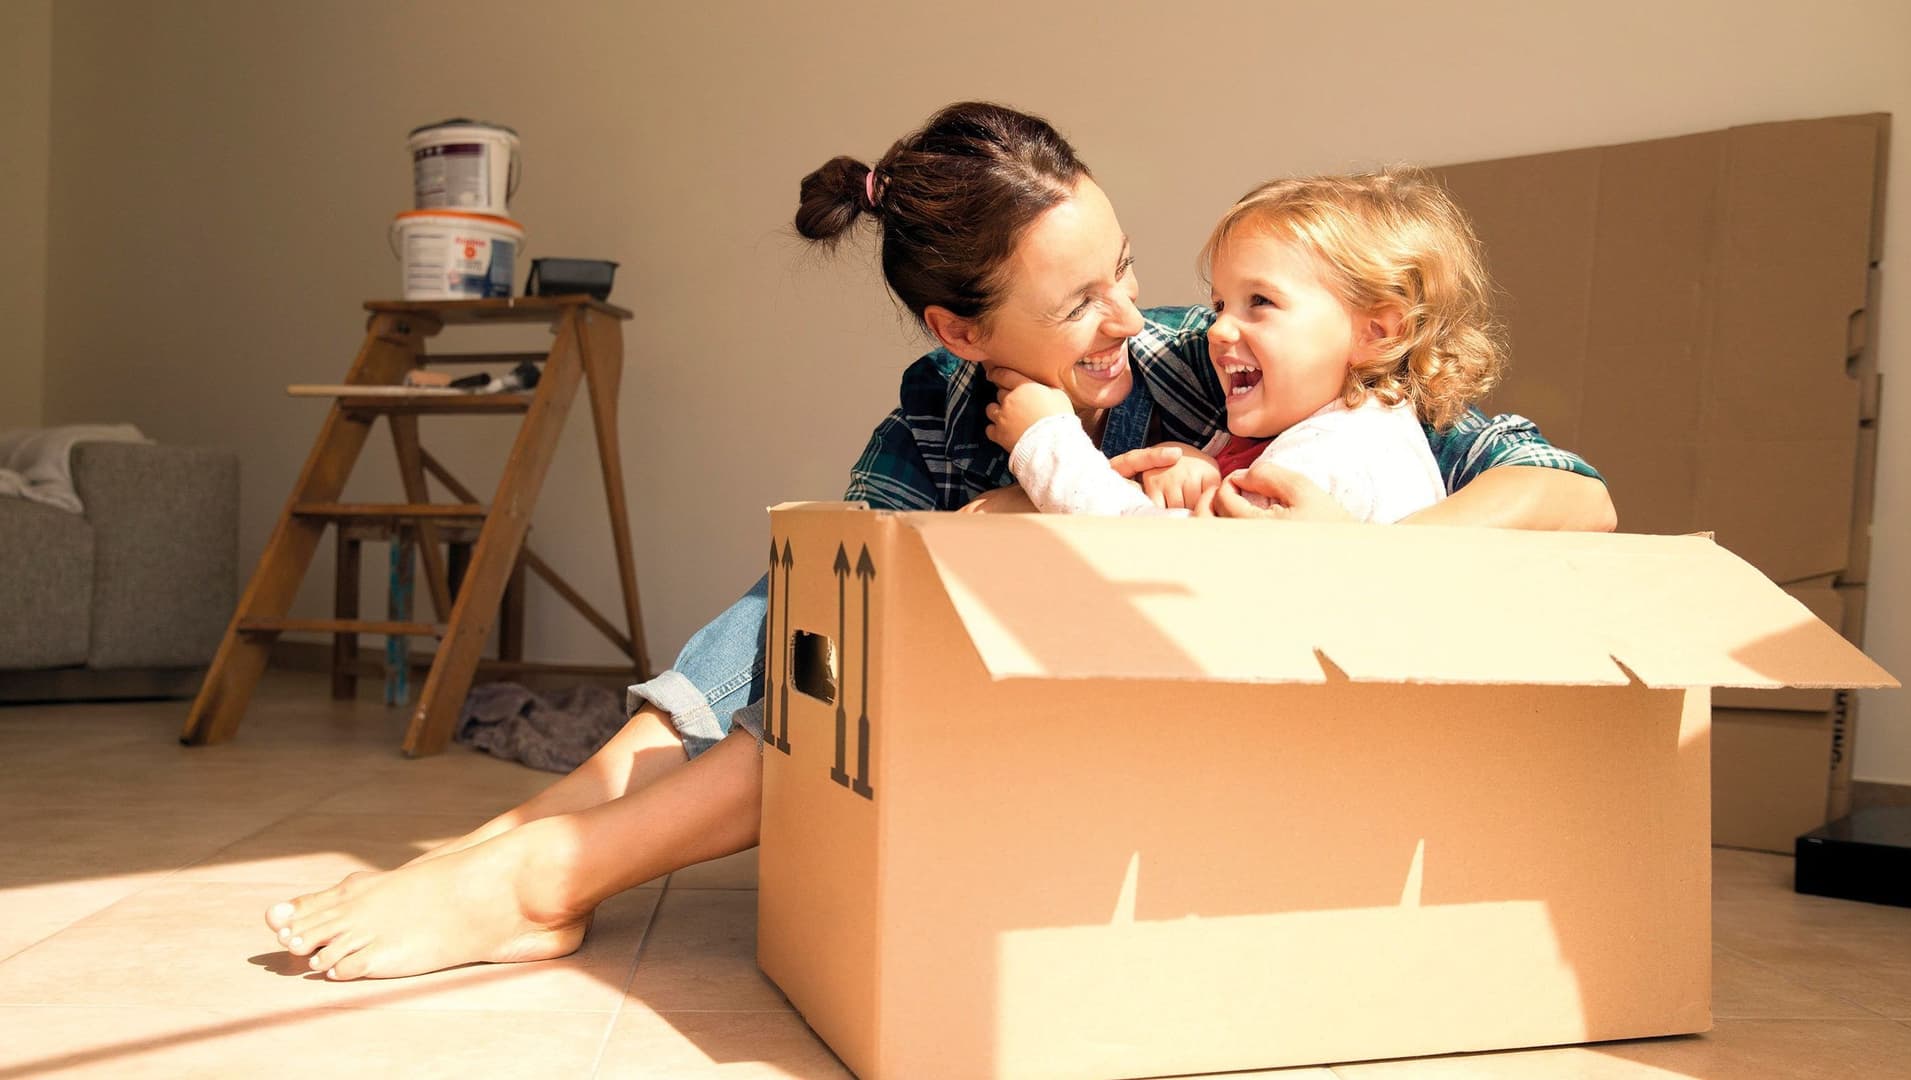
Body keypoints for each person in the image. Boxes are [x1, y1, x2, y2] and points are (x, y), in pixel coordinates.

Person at [263, 102, 1615, 981]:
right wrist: (1010, 500)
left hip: (1155, 748)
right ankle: (515, 852)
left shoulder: (1224, 373)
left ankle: (542, 866)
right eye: (1081, 300)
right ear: (961, 333)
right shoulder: (938, 418)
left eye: (1128, 270)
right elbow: (825, 637)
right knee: (815, 596)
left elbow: (1567, 493)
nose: (1136, 322)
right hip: (999, 717)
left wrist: (1374, 552)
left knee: (876, 607)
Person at [991, 167, 1496, 523]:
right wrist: (1203, 477)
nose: (1217, 330)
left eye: (1260, 301)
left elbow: (1157, 561)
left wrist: (1045, 440)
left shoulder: (1334, 455)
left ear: (1377, 332)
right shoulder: (1348, 433)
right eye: (1219, 306)